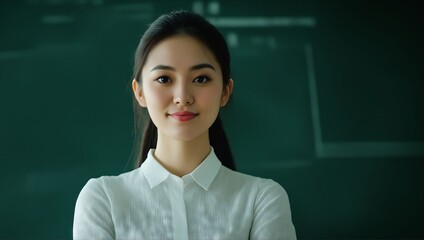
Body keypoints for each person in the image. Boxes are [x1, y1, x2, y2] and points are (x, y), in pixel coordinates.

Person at [73, 10, 296, 239]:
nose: (182, 96)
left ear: (225, 91)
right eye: (164, 79)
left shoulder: (262, 200)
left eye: (201, 79)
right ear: (140, 92)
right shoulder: (103, 200)